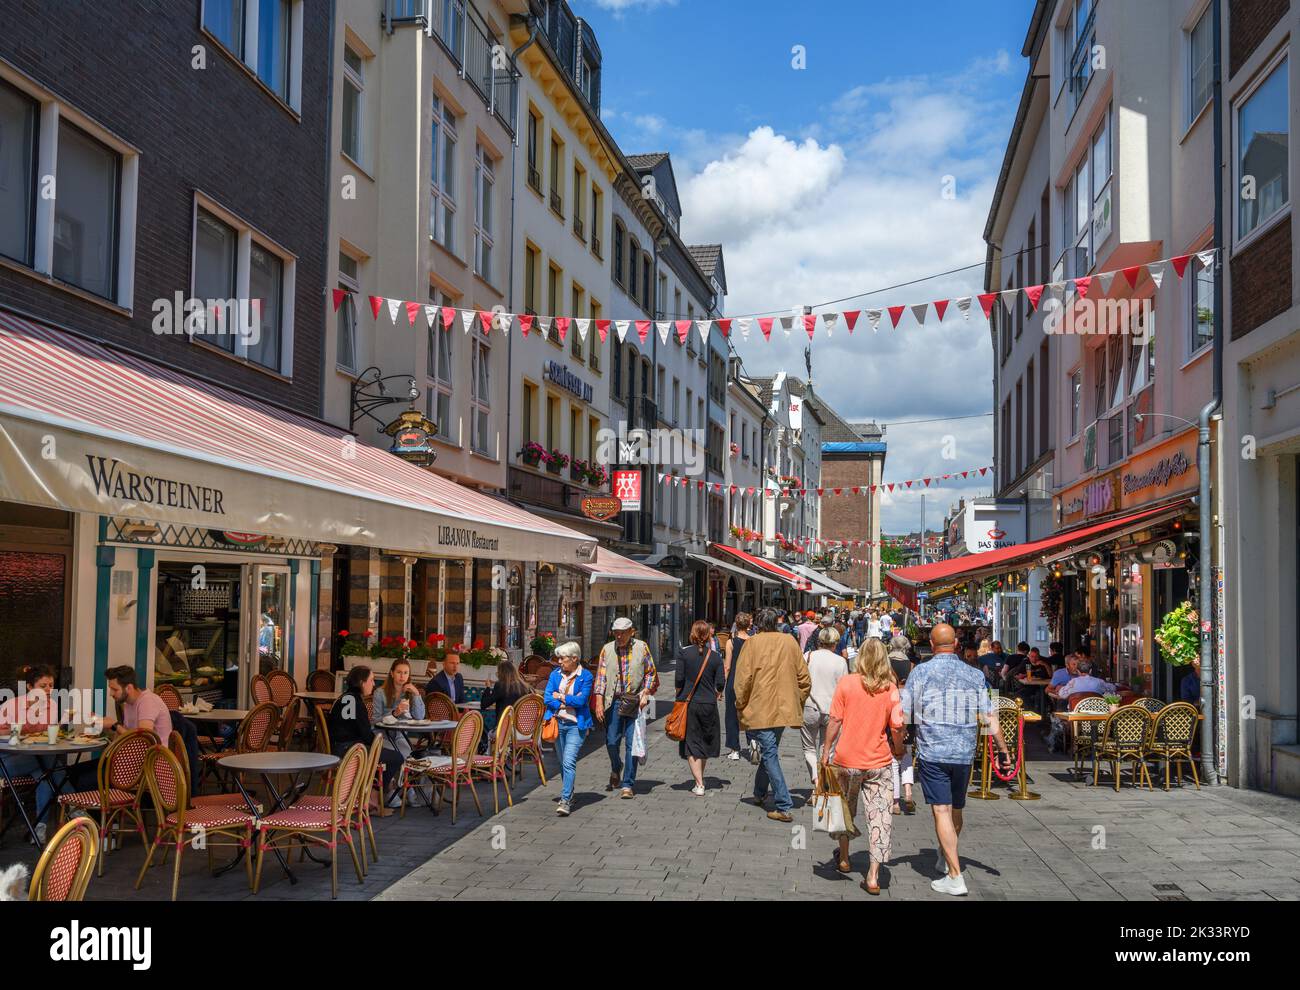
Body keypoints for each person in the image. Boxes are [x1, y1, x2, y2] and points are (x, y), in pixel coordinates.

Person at [901, 623, 1012, 896]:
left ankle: (955, 875)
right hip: (964, 752)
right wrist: (1004, 750)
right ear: (957, 645)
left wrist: (898, 740)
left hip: (933, 751)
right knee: (957, 809)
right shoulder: (974, 674)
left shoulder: (921, 672)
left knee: (941, 810)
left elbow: (904, 713)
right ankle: (944, 856)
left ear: (932, 642)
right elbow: (989, 715)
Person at [821, 638, 905, 894]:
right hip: (877, 762)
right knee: (880, 817)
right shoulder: (890, 688)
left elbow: (834, 720)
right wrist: (899, 749)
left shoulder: (847, 683)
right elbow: (897, 725)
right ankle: (872, 874)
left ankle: (844, 857)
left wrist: (826, 751)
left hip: (846, 759)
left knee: (844, 810)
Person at [734, 608, 811, 823]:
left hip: (760, 708)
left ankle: (784, 804)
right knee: (770, 751)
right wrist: (797, 699)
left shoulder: (751, 644)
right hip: (784, 708)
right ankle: (759, 793)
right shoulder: (789, 642)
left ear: (758, 624)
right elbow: (804, 678)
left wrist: (740, 704)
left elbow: (742, 680)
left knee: (770, 755)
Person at [592, 616, 656, 798]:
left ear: (631, 632)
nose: (618, 636)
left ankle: (627, 784)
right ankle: (616, 766)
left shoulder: (641, 647)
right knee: (611, 741)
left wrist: (645, 693)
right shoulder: (607, 650)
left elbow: (650, 673)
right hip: (614, 701)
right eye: (616, 633)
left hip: (635, 701)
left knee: (631, 744)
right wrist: (598, 701)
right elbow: (601, 678)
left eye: (622, 633)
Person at [0, 664, 63, 843]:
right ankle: (77, 807)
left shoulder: (51, 705)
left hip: (33, 758)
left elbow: (46, 734)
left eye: (51, 685)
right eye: (43, 686)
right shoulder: (12, 705)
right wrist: (15, 731)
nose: (49, 689)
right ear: (29, 687)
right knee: (48, 764)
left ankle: (40, 829)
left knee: (45, 774)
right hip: (7, 761)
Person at [328, 665, 402, 805]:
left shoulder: (345, 698)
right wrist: (378, 744)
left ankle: (369, 794)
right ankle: (372, 796)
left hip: (341, 747)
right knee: (396, 757)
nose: (374, 684)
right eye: (372, 680)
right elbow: (365, 734)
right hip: (349, 750)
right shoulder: (354, 701)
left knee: (381, 754)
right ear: (362, 682)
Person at [541, 642, 593, 816]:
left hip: (575, 726)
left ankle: (565, 800)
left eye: (562, 658)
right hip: (558, 723)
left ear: (574, 658)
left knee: (569, 761)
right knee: (563, 762)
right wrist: (566, 701)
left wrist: (561, 696)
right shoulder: (555, 675)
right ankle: (570, 793)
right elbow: (548, 698)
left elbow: (582, 701)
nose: (559, 662)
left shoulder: (585, 676)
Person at [675, 621, 724, 795]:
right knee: (704, 741)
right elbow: (720, 683)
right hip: (709, 704)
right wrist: (717, 692)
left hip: (690, 704)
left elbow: (679, 679)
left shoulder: (684, 653)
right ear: (708, 635)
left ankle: (699, 783)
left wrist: (679, 693)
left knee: (692, 742)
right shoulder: (716, 656)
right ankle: (700, 779)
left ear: (693, 634)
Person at [801, 625, 850, 784]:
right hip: (832, 710)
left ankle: (815, 779)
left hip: (809, 707)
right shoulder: (841, 661)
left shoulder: (807, 656)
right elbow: (844, 688)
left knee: (809, 747)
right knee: (826, 748)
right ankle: (822, 782)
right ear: (835, 643)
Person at [372, 658, 425, 759]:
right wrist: (394, 713)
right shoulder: (380, 693)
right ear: (392, 673)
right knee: (395, 756)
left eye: (405, 673)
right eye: (399, 672)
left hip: (401, 735)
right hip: (383, 735)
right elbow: (375, 721)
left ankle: (402, 775)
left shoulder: (410, 692)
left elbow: (419, 717)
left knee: (406, 754)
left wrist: (417, 694)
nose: (402, 676)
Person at [103, 665, 173, 742]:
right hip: (139, 752)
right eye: (110, 689)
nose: (111, 694)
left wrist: (114, 725)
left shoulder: (148, 701)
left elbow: (143, 739)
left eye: (115, 690)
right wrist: (106, 727)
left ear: (129, 688)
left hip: (156, 752)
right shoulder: (128, 703)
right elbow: (126, 734)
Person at [886, 635, 916, 814]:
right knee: (907, 752)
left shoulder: (885, 663)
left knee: (893, 756)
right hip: (909, 711)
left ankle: (896, 801)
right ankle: (909, 791)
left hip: (891, 708)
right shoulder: (912, 666)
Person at [723, 613, 752, 760]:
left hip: (734, 681)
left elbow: (727, 667)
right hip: (749, 682)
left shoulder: (731, 642)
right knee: (749, 714)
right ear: (749, 625)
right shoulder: (753, 641)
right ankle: (753, 743)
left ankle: (734, 749)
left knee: (731, 715)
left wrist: (721, 686)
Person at [480, 660, 532, 731]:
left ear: (501, 673)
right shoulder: (525, 687)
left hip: (505, 731)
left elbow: (484, 704)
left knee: (488, 734)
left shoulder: (501, 686)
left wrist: (488, 687)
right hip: (524, 730)